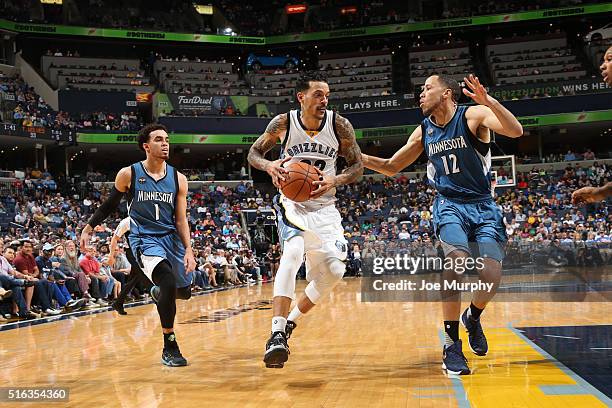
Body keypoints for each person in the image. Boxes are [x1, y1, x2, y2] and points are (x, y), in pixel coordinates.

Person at [362, 74, 523, 375]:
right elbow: (391, 166)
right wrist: (357, 157)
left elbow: (515, 130)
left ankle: (472, 317)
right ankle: (451, 343)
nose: (420, 94)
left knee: (491, 273)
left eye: (426, 88)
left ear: (447, 93)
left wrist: (489, 101)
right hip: (449, 205)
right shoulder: (424, 130)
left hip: (483, 206)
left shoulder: (472, 115)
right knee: (457, 261)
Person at [247, 71, 363, 368]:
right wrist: (270, 166)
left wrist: (334, 180)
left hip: (325, 208)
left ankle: (289, 324)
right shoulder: (283, 123)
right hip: (293, 204)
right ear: (302, 97)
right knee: (293, 251)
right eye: (318, 95)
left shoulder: (339, 125)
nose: (324, 100)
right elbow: (254, 153)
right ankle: (275, 333)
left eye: (326, 95)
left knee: (335, 271)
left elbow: (357, 166)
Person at [79, 123, 196, 367]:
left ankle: (159, 294)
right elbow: (109, 205)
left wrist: (188, 249)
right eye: (158, 139)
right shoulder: (129, 174)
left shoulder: (179, 179)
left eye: (166, 139)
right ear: (146, 146)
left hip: (171, 236)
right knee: (167, 280)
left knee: (183, 292)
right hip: (144, 238)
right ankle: (169, 345)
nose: (165, 143)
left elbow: (181, 219)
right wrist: (89, 227)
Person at [107, 217, 153, 315]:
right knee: (144, 275)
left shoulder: (146, 219)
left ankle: (118, 302)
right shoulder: (126, 222)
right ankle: (159, 300)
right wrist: (111, 256)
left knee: (133, 279)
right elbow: (115, 238)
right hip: (132, 252)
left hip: (143, 252)